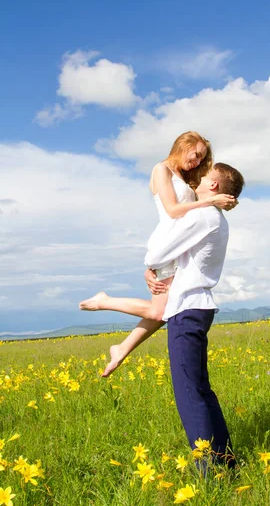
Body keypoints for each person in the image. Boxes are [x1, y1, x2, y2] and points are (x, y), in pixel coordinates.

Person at [79, 131, 236, 376]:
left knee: (163, 311)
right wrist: (209, 202)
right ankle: (104, 302)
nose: (196, 162)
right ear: (182, 146)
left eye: (201, 159)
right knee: (160, 311)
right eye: (195, 155)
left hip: (176, 246)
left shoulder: (183, 177)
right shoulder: (160, 169)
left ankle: (121, 348)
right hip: (168, 244)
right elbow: (173, 211)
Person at [144, 162, 244, 468]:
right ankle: (225, 462)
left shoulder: (203, 215)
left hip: (187, 308)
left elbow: (155, 255)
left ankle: (207, 470)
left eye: (206, 175)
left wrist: (149, 266)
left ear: (213, 186)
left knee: (189, 393)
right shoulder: (214, 217)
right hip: (197, 308)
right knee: (201, 389)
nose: (199, 178)